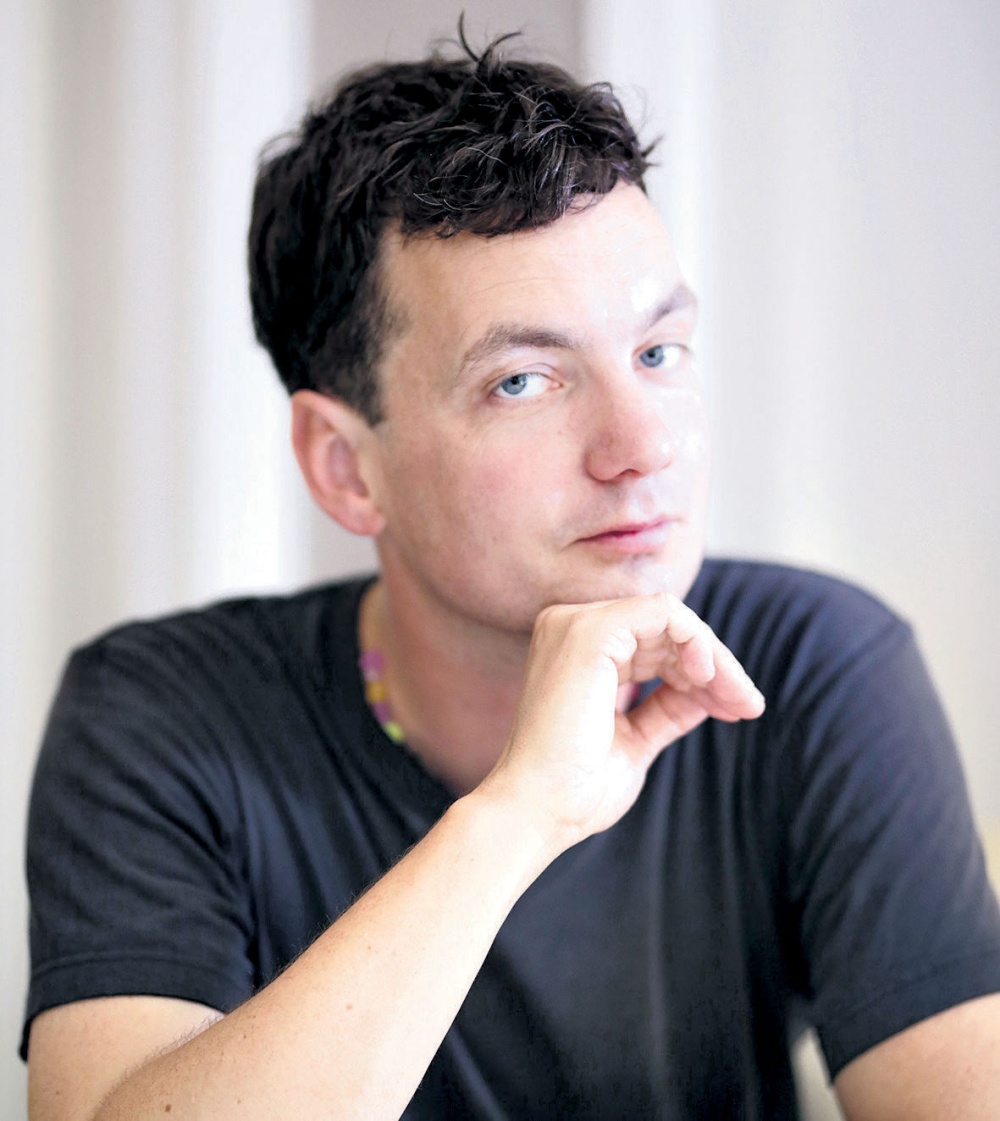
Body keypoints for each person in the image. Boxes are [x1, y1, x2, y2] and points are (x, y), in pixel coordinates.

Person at [22, 29, 1000, 1121]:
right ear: (346, 466)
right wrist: (519, 813)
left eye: (658, 353)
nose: (643, 445)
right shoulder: (164, 712)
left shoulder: (812, 664)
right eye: (524, 381)